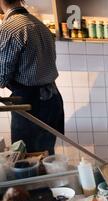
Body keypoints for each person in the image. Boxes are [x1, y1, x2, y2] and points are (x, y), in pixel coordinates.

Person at [0, 0, 64, 155]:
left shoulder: (9, 28)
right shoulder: (41, 26)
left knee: (27, 158)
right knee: (46, 155)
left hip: (31, 104)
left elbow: (1, 76)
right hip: (52, 100)